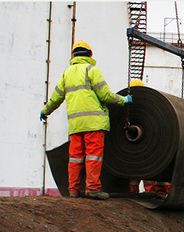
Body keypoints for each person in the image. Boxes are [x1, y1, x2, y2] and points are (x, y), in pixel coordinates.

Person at [40, 40, 132, 200]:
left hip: (76, 125)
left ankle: (73, 190)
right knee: (93, 156)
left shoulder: (66, 74)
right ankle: (92, 189)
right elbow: (105, 95)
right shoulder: (92, 70)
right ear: (90, 54)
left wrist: (45, 110)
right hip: (94, 123)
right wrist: (123, 100)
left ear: (74, 55)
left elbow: (56, 98)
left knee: (75, 158)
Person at [127, 79, 171, 198]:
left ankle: (141, 194)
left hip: (141, 149)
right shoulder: (150, 104)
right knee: (143, 174)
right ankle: (143, 194)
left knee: (142, 174)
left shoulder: (132, 105)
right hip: (142, 150)